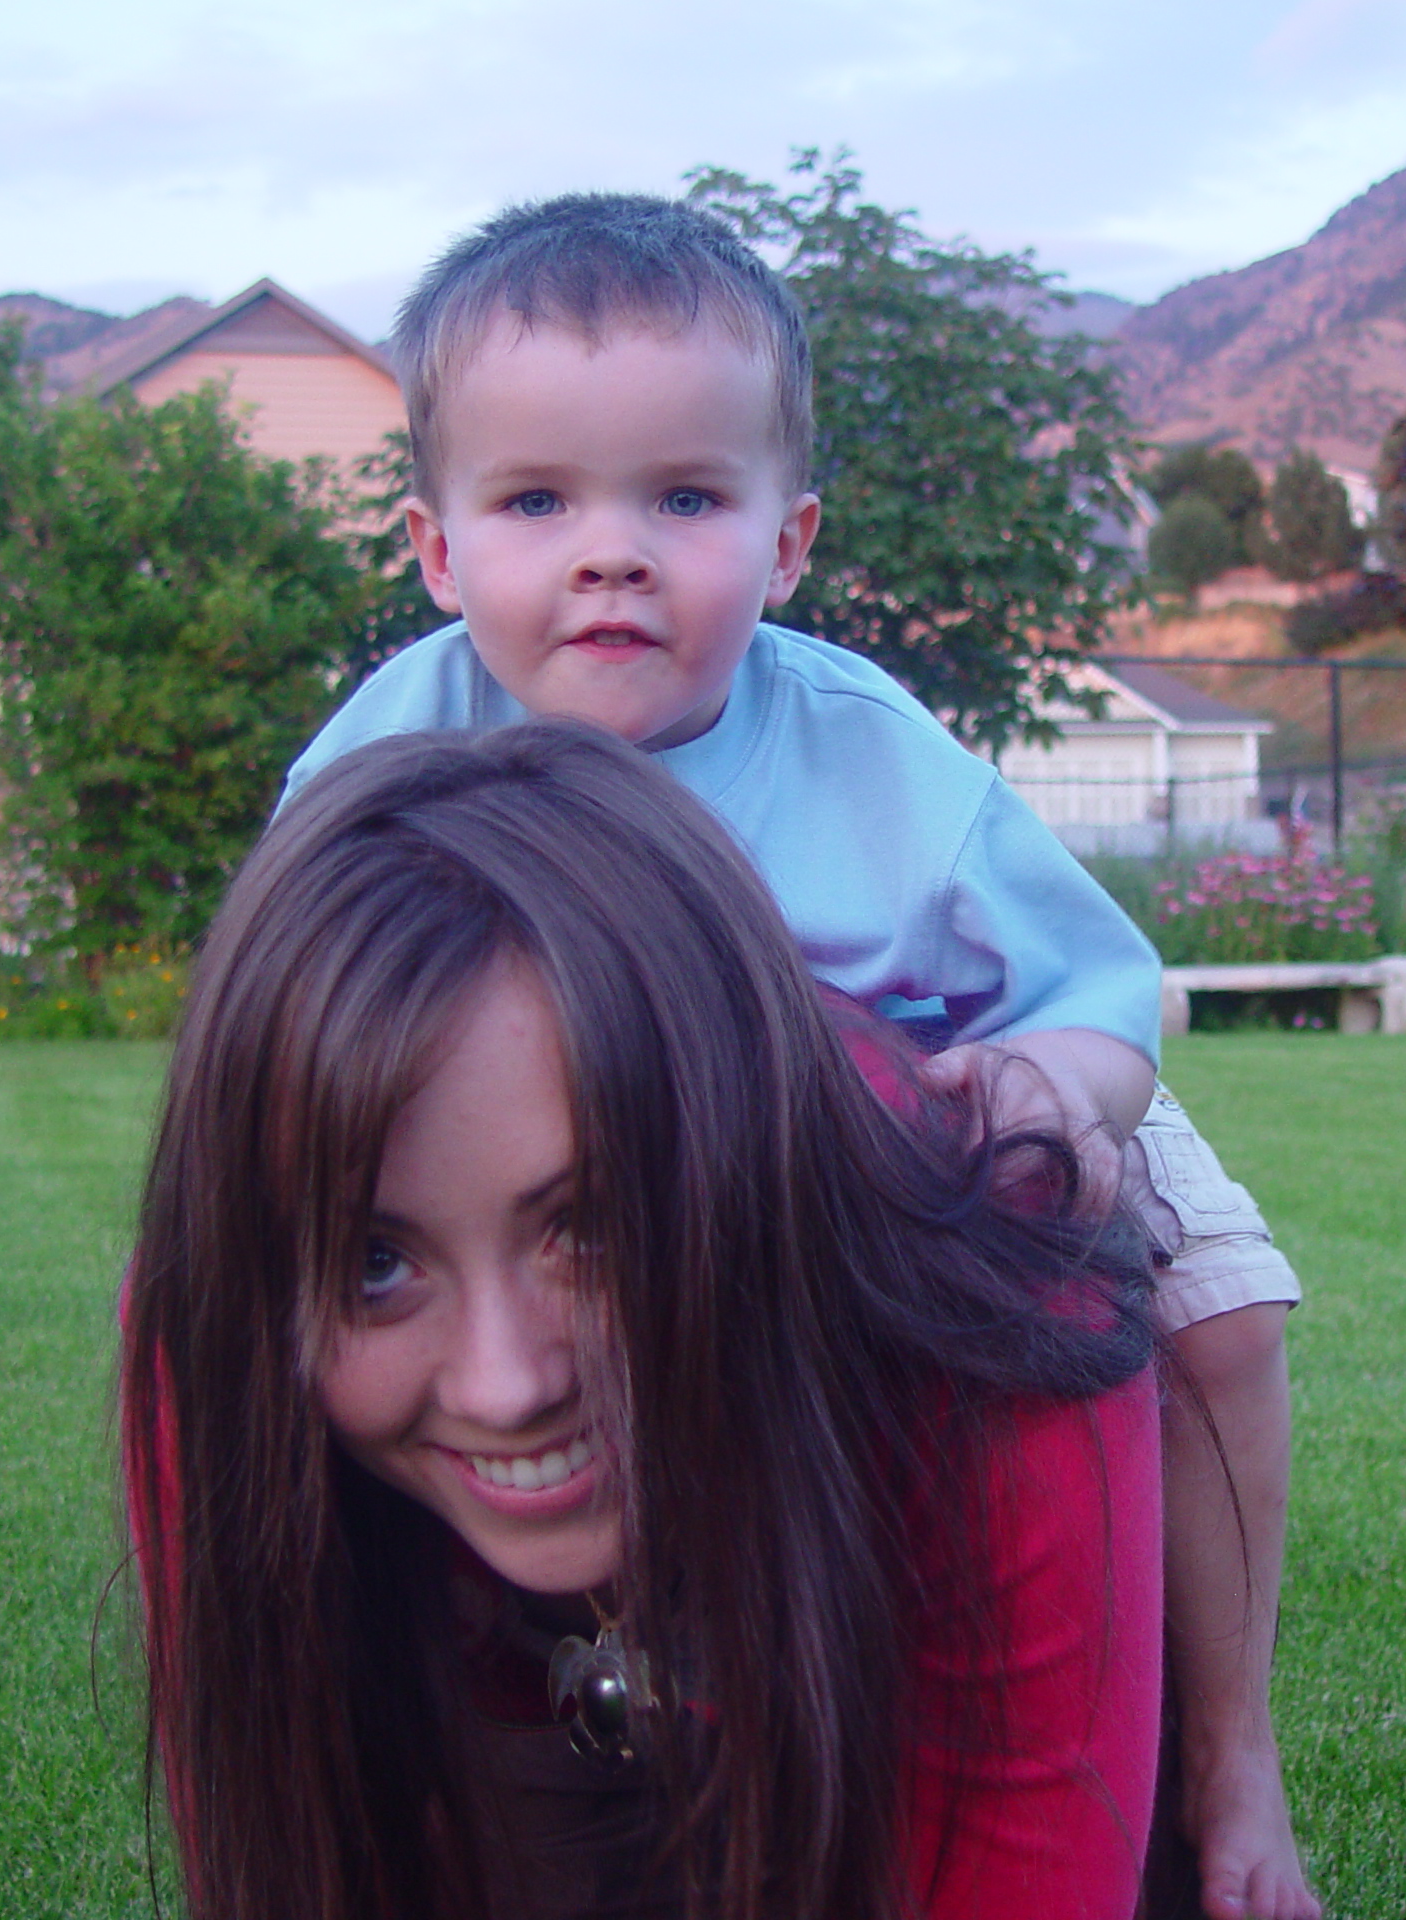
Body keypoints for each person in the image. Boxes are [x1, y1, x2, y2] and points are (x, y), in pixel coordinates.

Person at [283, 192, 1319, 1919]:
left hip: (926, 1106)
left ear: (788, 542)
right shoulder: (388, 752)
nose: (609, 550)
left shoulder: (871, 759)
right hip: (566, 1173)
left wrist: (1055, 1095)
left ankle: (1230, 1765)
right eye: (537, 500)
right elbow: (302, 1003)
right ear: (439, 550)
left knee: (1216, 1314)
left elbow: (1096, 993)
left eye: (683, 497)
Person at [121, 724, 1165, 1920]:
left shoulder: (990, 1293)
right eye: (372, 1264)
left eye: (595, 1227)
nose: (504, 1386)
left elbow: (1020, 1870)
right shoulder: (220, 1323)